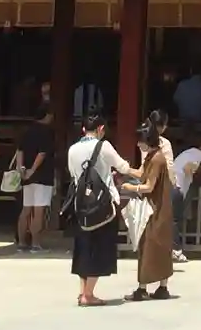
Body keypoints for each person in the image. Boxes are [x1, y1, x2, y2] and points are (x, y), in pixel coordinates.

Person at [66, 111, 130, 306]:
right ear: (101, 129)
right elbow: (123, 167)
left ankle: (82, 291)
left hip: (81, 204)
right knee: (100, 247)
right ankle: (88, 294)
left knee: (84, 247)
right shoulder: (104, 146)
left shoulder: (73, 149)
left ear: (83, 129)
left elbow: (74, 174)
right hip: (102, 205)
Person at [120, 121, 175, 301]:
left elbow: (149, 186)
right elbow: (142, 173)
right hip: (160, 208)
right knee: (161, 246)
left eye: (140, 141)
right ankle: (162, 287)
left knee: (148, 246)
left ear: (147, 140)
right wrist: (125, 169)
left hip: (155, 209)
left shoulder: (156, 159)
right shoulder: (154, 156)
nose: (138, 145)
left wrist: (130, 187)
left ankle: (142, 288)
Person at [16, 106, 54, 252]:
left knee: (26, 209)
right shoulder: (47, 132)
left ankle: (21, 242)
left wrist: (21, 168)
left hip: (26, 175)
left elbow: (19, 150)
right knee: (39, 210)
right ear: (47, 115)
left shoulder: (27, 130)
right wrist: (33, 170)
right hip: (42, 176)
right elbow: (42, 153)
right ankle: (35, 243)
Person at [172, 136, 201, 263]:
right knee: (174, 221)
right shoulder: (197, 153)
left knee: (171, 220)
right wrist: (195, 172)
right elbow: (188, 167)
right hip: (177, 188)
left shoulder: (187, 153)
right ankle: (176, 250)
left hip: (173, 186)